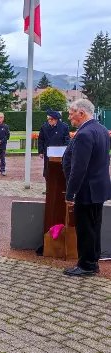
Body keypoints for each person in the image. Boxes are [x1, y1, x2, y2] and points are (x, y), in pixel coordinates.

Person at [63, 99, 111, 277]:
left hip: (86, 189)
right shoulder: (101, 130)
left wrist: (70, 193)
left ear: (81, 113)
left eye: (71, 113)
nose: (70, 117)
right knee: (94, 226)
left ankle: (86, 265)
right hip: (98, 188)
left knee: (85, 228)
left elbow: (79, 168)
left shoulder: (85, 134)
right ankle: (92, 261)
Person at [38, 109, 70, 180]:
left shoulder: (64, 127)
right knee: (48, 170)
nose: (49, 120)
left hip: (60, 152)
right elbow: (41, 139)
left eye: (51, 119)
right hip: (48, 152)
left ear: (56, 119)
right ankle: (48, 189)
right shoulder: (44, 127)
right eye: (48, 119)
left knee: (60, 171)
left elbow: (67, 139)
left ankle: (60, 189)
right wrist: (40, 152)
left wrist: (66, 151)